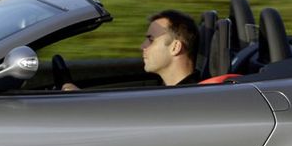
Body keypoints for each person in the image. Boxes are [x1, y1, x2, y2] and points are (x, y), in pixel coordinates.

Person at [61, 9, 201, 90]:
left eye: (151, 40)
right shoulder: (169, 93)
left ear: (175, 47)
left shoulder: (185, 101)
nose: (142, 46)